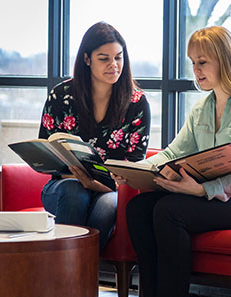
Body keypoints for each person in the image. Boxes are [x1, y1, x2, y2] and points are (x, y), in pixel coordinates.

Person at [124, 26, 231, 297]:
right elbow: (173, 153)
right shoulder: (202, 108)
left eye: (203, 62)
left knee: (170, 210)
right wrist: (134, 170)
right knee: (138, 208)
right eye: (193, 63)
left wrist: (201, 190)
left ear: (225, 60)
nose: (196, 70)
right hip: (220, 198)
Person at [38, 22, 151, 252]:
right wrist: (78, 178)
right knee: (74, 192)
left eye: (119, 57)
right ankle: (69, 275)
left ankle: (78, 275)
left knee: (109, 206)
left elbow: (133, 168)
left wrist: (94, 184)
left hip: (109, 190)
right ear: (87, 59)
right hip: (64, 185)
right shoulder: (61, 96)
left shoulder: (136, 104)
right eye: (104, 58)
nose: (113, 65)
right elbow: (47, 154)